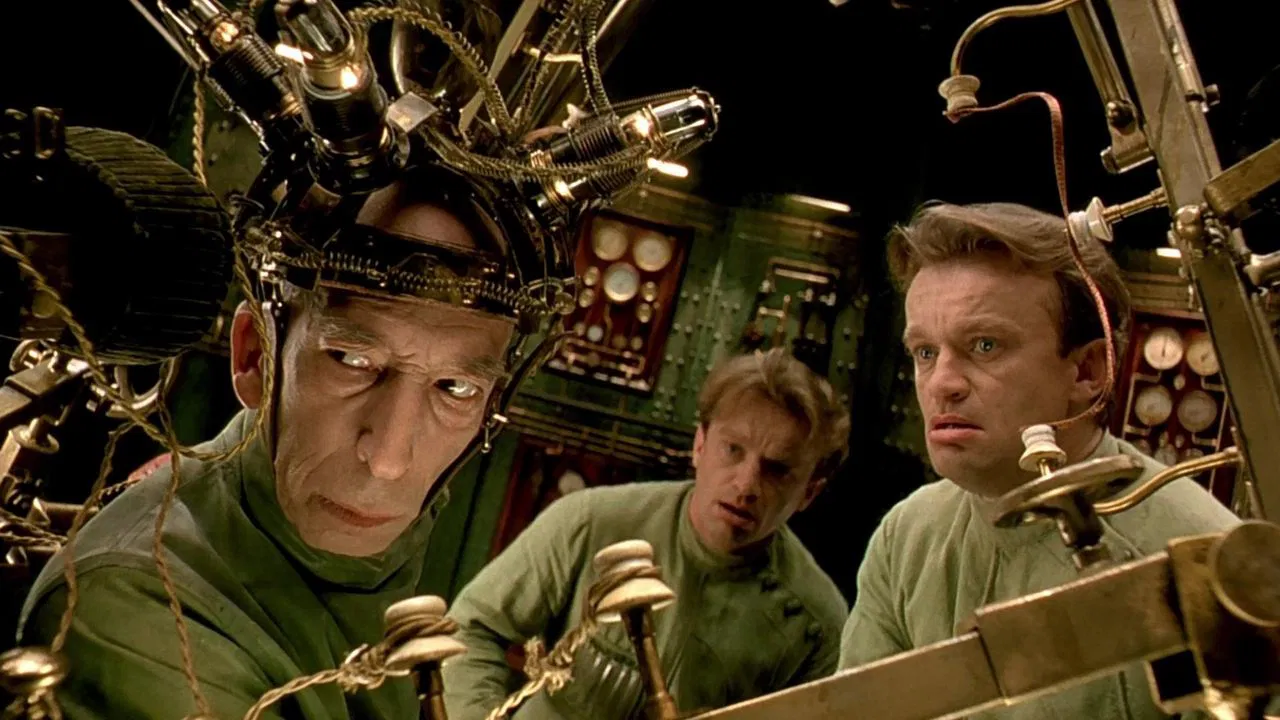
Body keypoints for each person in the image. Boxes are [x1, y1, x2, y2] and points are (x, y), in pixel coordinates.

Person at [18, 169, 540, 719]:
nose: (388, 458)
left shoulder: (380, 556)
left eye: (455, 388)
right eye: (351, 361)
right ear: (255, 356)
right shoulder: (134, 613)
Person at [838, 202, 1240, 719]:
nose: (942, 385)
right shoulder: (907, 536)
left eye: (985, 346)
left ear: (1087, 371)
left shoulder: (1201, 563)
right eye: (925, 353)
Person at [442, 348, 851, 720]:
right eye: (733, 450)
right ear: (700, 445)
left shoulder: (817, 627)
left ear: (809, 492)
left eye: (777, 470)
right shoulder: (592, 522)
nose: (746, 485)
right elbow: (473, 628)